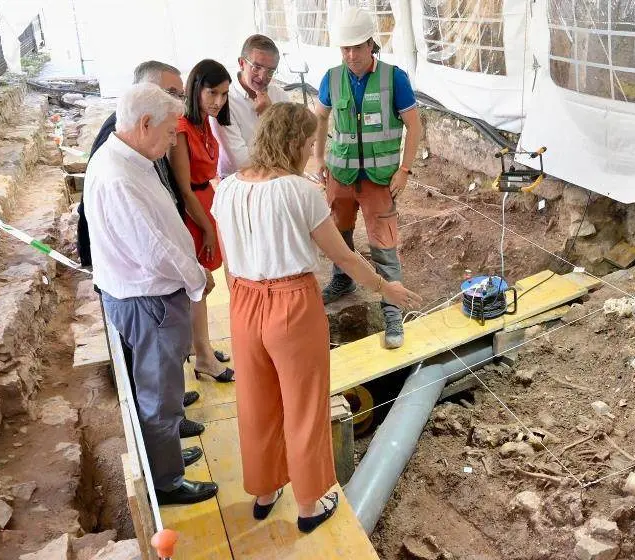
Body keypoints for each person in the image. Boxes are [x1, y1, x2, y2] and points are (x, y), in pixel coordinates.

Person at [211, 102, 422, 533]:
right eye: (310, 143)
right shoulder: (301, 192)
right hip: (292, 303)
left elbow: (229, 262)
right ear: (293, 142)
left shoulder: (226, 189)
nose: (312, 151)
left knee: (256, 401)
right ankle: (310, 503)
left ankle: (265, 492)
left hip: (244, 303)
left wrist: (242, 302)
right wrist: (387, 289)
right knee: (305, 405)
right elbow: (343, 256)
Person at [85, 82, 218, 505]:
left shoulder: (126, 157)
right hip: (149, 300)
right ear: (144, 124)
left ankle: (168, 447)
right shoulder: (120, 177)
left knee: (163, 381)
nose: (172, 140)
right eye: (167, 132)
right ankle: (167, 480)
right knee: (157, 394)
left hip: (148, 296)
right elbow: (154, 250)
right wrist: (197, 277)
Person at [311, 7, 423, 350]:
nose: (351, 55)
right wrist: (319, 158)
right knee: (339, 233)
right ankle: (342, 279)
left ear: (372, 44)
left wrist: (404, 170)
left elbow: (415, 126)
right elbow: (320, 119)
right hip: (341, 175)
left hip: (380, 179)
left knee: (383, 245)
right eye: (345, 48)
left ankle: (393, 309)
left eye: (357, 47)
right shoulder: (331, 78)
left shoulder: (395, 78)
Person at [170, 59, 235, 383]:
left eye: (223, 94)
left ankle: (202, 347)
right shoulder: (182, 126)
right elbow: (184, 188)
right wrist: (208, 228)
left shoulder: (203, 123)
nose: (218, 101)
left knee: (204, 287)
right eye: (212, 93)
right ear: (196, 88)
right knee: (197, 285)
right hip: (192, 210)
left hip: (206, 204)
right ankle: (204, 357)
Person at [213, 34, 289, 179]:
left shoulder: (279, 95)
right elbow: (241, 162)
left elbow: (295, 143)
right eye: (256, 67)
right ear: (242, 63)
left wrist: (269, 112)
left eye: (271, 71)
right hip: (238, 182)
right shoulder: (224, 101)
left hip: (276, 178)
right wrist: (269, 117)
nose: (262, 77)